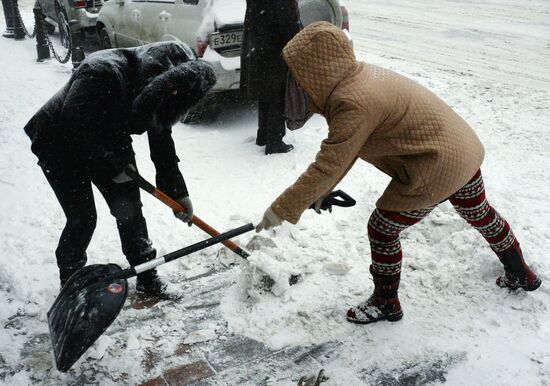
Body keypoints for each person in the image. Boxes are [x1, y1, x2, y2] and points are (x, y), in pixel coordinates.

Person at [255, 22, 541, 323]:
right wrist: (317, 193)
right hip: (461, 150)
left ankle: (385, 302)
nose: (296, 83)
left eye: (299, 75)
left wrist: (281, 209)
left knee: (382, 229)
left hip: (437, 164)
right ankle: (520, 271)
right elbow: (343, 155)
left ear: (316, 71)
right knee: (479, 212)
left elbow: (329, 164)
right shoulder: (361, 78)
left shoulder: (351, 103)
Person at [24, 41, 216, 299]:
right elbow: (73, 121)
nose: (172, 96)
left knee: (129, 208)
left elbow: (162, 145)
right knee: (83, 218)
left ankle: (147, 275)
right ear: (158, 79)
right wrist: (112, 164)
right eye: (170, 90)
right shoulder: (102, 70)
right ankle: (70, 282)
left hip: (108, 138)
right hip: (57, 142)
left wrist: (178, 194)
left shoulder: (161, 93)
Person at [240, 0, 301, 154]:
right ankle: (274, 141)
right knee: (277, 94)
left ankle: (263, 135)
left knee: (265, 93)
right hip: (274, 50)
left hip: (258, 46)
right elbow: (289, 23)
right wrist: (297, 43)